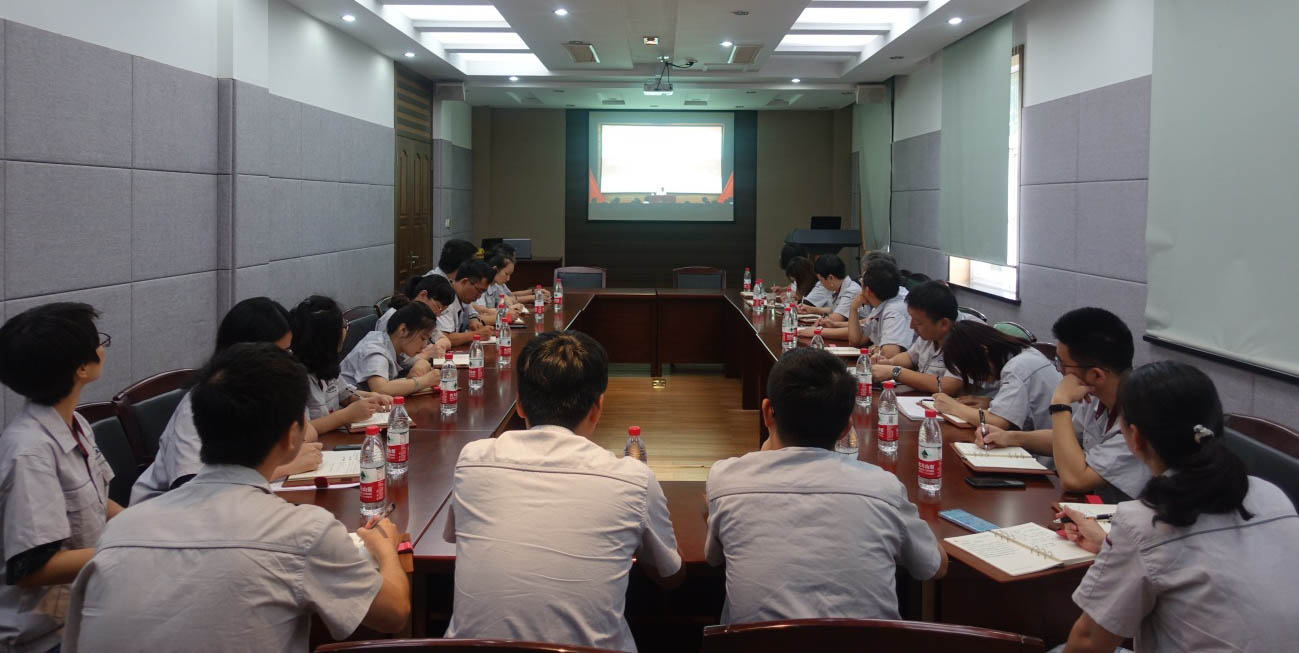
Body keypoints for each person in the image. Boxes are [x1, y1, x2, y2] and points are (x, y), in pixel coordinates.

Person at [63, 343, 411, 651]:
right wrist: (385, 549)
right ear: (292, 436)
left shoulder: (118, 532)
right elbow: (394, 613)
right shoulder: (304, 532)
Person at [442, 331, 683, 652]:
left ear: (520, 405)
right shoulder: (633, 479)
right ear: (597, 407)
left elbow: (457, 538)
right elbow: (670, 574)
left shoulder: (473, 460)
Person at [1058, 361, 1299, 652]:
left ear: (1135, 437)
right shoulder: (1271, 493)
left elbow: (1087, 642)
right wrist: (1110, 545)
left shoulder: (1143, 521)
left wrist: (1129, 544)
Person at [705, 348, 945, 625]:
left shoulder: (726, 480)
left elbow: (713, 558)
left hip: (756, 644)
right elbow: (933, 567)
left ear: (767, 412)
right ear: (846, 429)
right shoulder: (884, 489)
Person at [0, 303, 121, 653]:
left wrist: (149, 525)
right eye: (99, 342)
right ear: (81, 368)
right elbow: (32, 569)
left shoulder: (74, 423)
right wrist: (127, 548)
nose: (103, 348)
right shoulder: (29, 452)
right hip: (42, 635)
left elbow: (97, 499)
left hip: (82, 609)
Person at [131, 297, 322, 505]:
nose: (287, 361)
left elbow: (305, 431)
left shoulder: (263, 393)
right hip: (169, 513)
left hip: (234, 504)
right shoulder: (203, 404)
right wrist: (283, 468)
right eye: (279, 353)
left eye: (288, 351)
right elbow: (192, 487)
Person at [978, 308, 1151, 501]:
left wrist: (1060, 403)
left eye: (1063, 364)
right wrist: (1010, 437)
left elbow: (1075, 480)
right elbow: (1066, 439)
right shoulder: (1096, 395)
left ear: (1096, 375)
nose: (1059, 370)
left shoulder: (1139, 419)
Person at [931, 321, 1062, 436]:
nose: (975, 377)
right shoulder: (1025, 353)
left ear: (983, 352)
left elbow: (999, 422)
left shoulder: (1017, 367)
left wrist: (953, 407)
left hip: (1048, 452)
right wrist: (992, 402)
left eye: (970, 370)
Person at [289, 296, 394, 434]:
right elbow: (303, 432)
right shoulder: (295, 377)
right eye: (344, 326)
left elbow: (344, 394)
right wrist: (346, 415)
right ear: (328, 337)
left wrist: (369, 397)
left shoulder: (326, 363)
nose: (346, 331)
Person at [870, 281, 968, 394]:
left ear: (943, 324)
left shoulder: (964, 339)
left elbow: (949, 386)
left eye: (918, 322)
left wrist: (895, 371)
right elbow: (910, 357)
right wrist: (889, 362)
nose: (911, 326)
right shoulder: (931, 334)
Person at [340, 302, 442, 397]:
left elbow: (419, 361)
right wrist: (425, 381)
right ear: (403, 330)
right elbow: (381, 389)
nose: (424, 345)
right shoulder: (375, 350)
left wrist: (420, 365)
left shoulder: (397, 345)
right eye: (422, 338)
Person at [378, 274, 454, 370]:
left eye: (443, 311)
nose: (438, 314)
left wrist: (437, 347)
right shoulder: (393, 316)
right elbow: (401, 363)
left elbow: (445, 340)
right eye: (438, 307)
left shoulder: (424, 317)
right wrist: (428, 353)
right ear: (423, 295)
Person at [439, 259, 496, 347]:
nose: (479, 296)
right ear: (464, 282)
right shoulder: (443, 297)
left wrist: (474, 320)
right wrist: (477, 334)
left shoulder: (464, 297)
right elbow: (444, 338)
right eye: (479, 291)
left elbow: (472, 314)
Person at [796, 255, 861, 319]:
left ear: (830, 278)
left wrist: (818, 317)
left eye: (821, 280)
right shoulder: (838, 289)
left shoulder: (851, 291)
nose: (820, 283)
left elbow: (837, 318)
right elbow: (833, 310)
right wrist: (813, 309)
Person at [471, 251, 524, 325]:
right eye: (506, 274)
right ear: (495, 269)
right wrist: (506, 313)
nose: (508, 279)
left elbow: (506, 299)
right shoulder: (481, 285)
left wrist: (512, 307)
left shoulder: (496, 285)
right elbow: (483, 313)